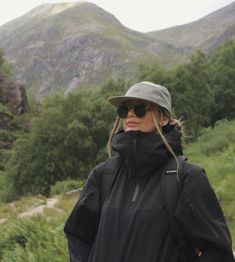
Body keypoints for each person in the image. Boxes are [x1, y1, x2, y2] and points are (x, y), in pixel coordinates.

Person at [64, 81, 234, 262]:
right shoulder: (103, 174)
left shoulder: (185, 177)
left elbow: (217, 251)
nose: (130, 113)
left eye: (140, 108)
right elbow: (77, 234)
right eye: (124, 109)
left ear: (163, 118)